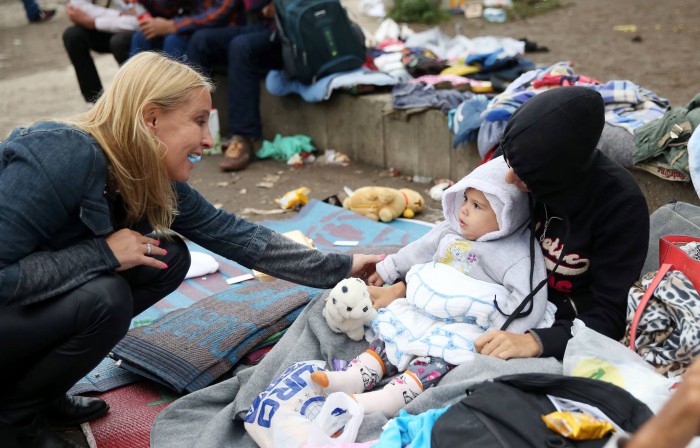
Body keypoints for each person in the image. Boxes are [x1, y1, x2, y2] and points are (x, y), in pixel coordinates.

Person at [0, 52, 381, 448]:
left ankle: (39, 394)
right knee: (105, 295)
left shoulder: (146, 174)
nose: (209, 140)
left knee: (167, 256)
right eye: (199, 121)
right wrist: (103, 255)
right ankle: (15, 419)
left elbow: (236, 236)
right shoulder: (61, 154)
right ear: (151, 119)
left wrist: (346, 266)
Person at [371, 87, 650, 362]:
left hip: (557, 322)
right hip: (480, 295)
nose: (507, 179)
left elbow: (610, 315)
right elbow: (462, 240)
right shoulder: (515, 160)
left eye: (525, 175)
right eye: (509, 162)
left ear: (558, 175)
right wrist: (405, 286)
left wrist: (535, 342)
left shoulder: (619, 206)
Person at [310, 157, 551, 416]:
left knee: (438, 358)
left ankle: (387, 398)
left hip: (466, 321)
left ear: (508, 214)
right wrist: (387, 268)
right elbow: (418, 250)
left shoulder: (518, 254)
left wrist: (509, 333)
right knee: (392, 334)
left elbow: (530, 298)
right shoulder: (452, 229)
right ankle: (355, 376)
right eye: (465, 200)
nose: (464, 210)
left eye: (477, 206)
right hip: (425, 307)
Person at [186, 0, 280, 172]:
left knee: (241, 46)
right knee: (200, 40)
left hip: (283, 31)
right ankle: (191, 127)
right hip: (256, 25)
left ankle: (244, 138)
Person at [63, 0, 140, 103]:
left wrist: (94, 22)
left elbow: (139, 20)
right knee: (73, 36)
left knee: (119, 42)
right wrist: (118, 15)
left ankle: (135, 97)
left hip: (143, 28)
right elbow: (77, 7)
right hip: (115, 22)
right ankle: (95, 102)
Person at [129, 0, 242, 59]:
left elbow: (220, 14)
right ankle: (133, 96)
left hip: (222, 32)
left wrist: (173, 25)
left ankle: (173, 97)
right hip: (190, 27)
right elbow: (168, 8)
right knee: (142, 36)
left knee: (173, 40)